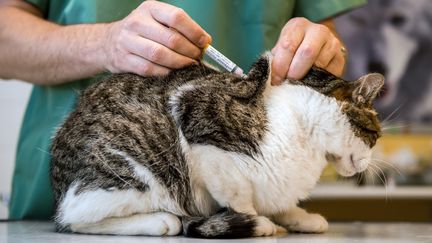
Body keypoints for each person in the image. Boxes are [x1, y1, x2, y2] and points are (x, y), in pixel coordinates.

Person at [0, 0, 366, 219]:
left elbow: (326, 41)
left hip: (244, 201)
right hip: (84, 189)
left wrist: (323, 52)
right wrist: (103, 44)